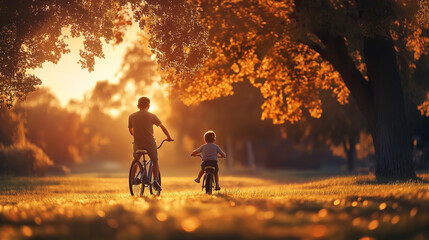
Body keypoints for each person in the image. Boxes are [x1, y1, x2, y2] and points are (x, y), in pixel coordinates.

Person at [128, 97, 173, 191]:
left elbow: (131, 130)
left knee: (135, 159)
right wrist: (168, 137)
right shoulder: (152, 116)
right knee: (155, 160)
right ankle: (155, 181)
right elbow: (162, 127)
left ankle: (132, 179)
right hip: (149, 143)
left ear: (137, 106)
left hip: (137, 143)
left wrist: (136, 136)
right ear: (149, 106)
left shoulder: (132, 116)